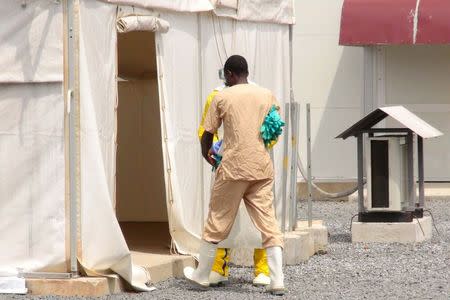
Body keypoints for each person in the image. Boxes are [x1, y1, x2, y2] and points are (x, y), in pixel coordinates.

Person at [184, 55, 285, 295]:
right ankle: (277, 279)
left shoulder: (222, 96)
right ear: (246, 72)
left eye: (225, 76)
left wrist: (206, 152)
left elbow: (208, 132)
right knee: (268, 222)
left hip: (232, 168)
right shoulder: (266, 94)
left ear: (230, 74)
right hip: (261, 168)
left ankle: (201, 275)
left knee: (217, 219)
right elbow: (274, 127)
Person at [198, 85, 271, 287]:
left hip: (248, 166)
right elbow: (207, 129)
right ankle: (219, 267)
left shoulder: (259, 94)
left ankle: (262, 268)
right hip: (232, 166)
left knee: (255, 219)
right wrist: (217, 151)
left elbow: (271, 130)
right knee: (227, 217)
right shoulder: (219, 94)